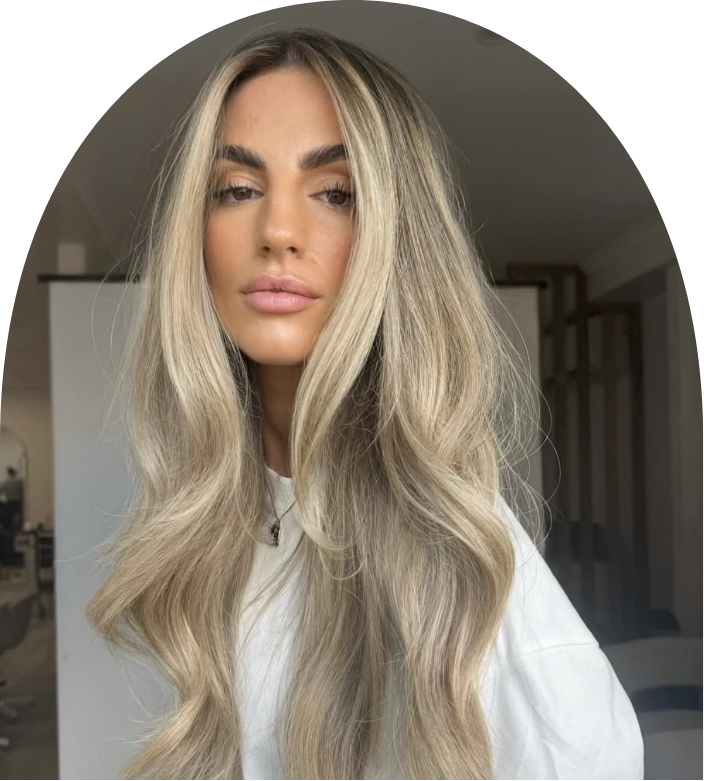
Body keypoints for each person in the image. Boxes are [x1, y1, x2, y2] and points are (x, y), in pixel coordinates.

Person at [84, 27, 644, 781]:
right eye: (238, 190)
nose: (278, 231)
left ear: (394, 239)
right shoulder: (225, 525)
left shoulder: (489, 611)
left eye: (336, 193)